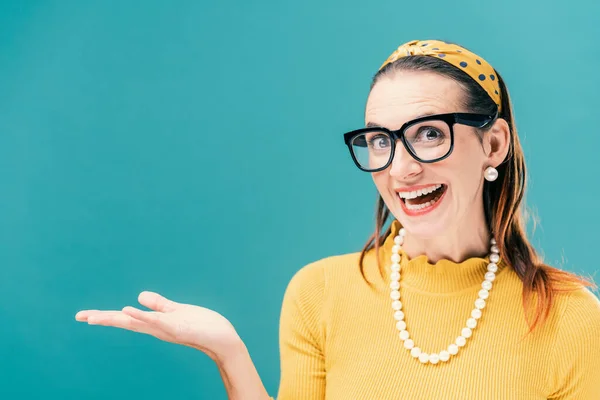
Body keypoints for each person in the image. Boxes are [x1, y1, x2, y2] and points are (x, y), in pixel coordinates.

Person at [75, 39, 600, 399]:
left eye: (429, 134)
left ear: (493, 143)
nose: (402, 166)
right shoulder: (319, 294)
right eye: (380, 141)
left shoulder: (571, 317)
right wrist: (228, 351)